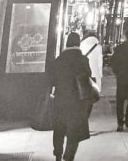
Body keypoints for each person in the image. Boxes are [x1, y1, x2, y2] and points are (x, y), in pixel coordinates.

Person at [48, 31, 92, 161]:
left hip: (61, 99)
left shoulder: (58, 60)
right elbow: (88, 77)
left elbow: (52, 80)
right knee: (74, 131)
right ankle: (69, 156)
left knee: (59, 128)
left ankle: (57, 154)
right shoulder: (83, 60)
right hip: (77, 101)